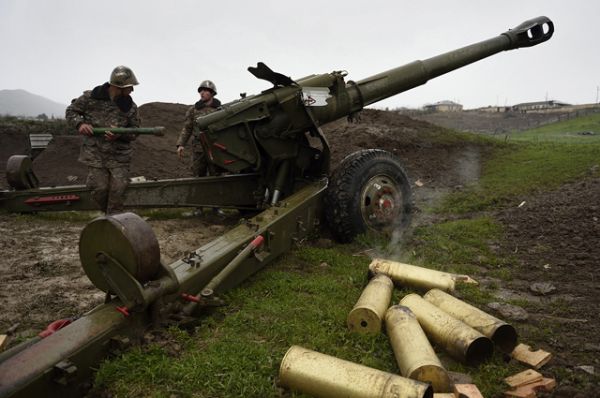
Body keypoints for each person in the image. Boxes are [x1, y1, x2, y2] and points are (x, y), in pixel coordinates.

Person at [65, 65, 141, 214]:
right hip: (95, 153)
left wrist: (120, 134)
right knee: (99, 188)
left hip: (119, 155)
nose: (132, 90)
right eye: (129, 86)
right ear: (118, 86)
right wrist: (80, 123)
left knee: (118, 189)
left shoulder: (130, 107)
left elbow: (135, 131)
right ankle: (106, 216)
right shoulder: (90, 98)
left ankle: (114, 221)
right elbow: (71, 111)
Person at [176, 80, 221, 177]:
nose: (202, 93)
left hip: (215, 147)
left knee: (217, 174)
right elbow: (187, 128)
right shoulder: (194, 110)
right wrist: (181, 144)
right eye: (201, 91)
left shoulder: (220, 109)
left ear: (212, 93)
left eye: (206, 90)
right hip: (199, 148)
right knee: (198, 174)